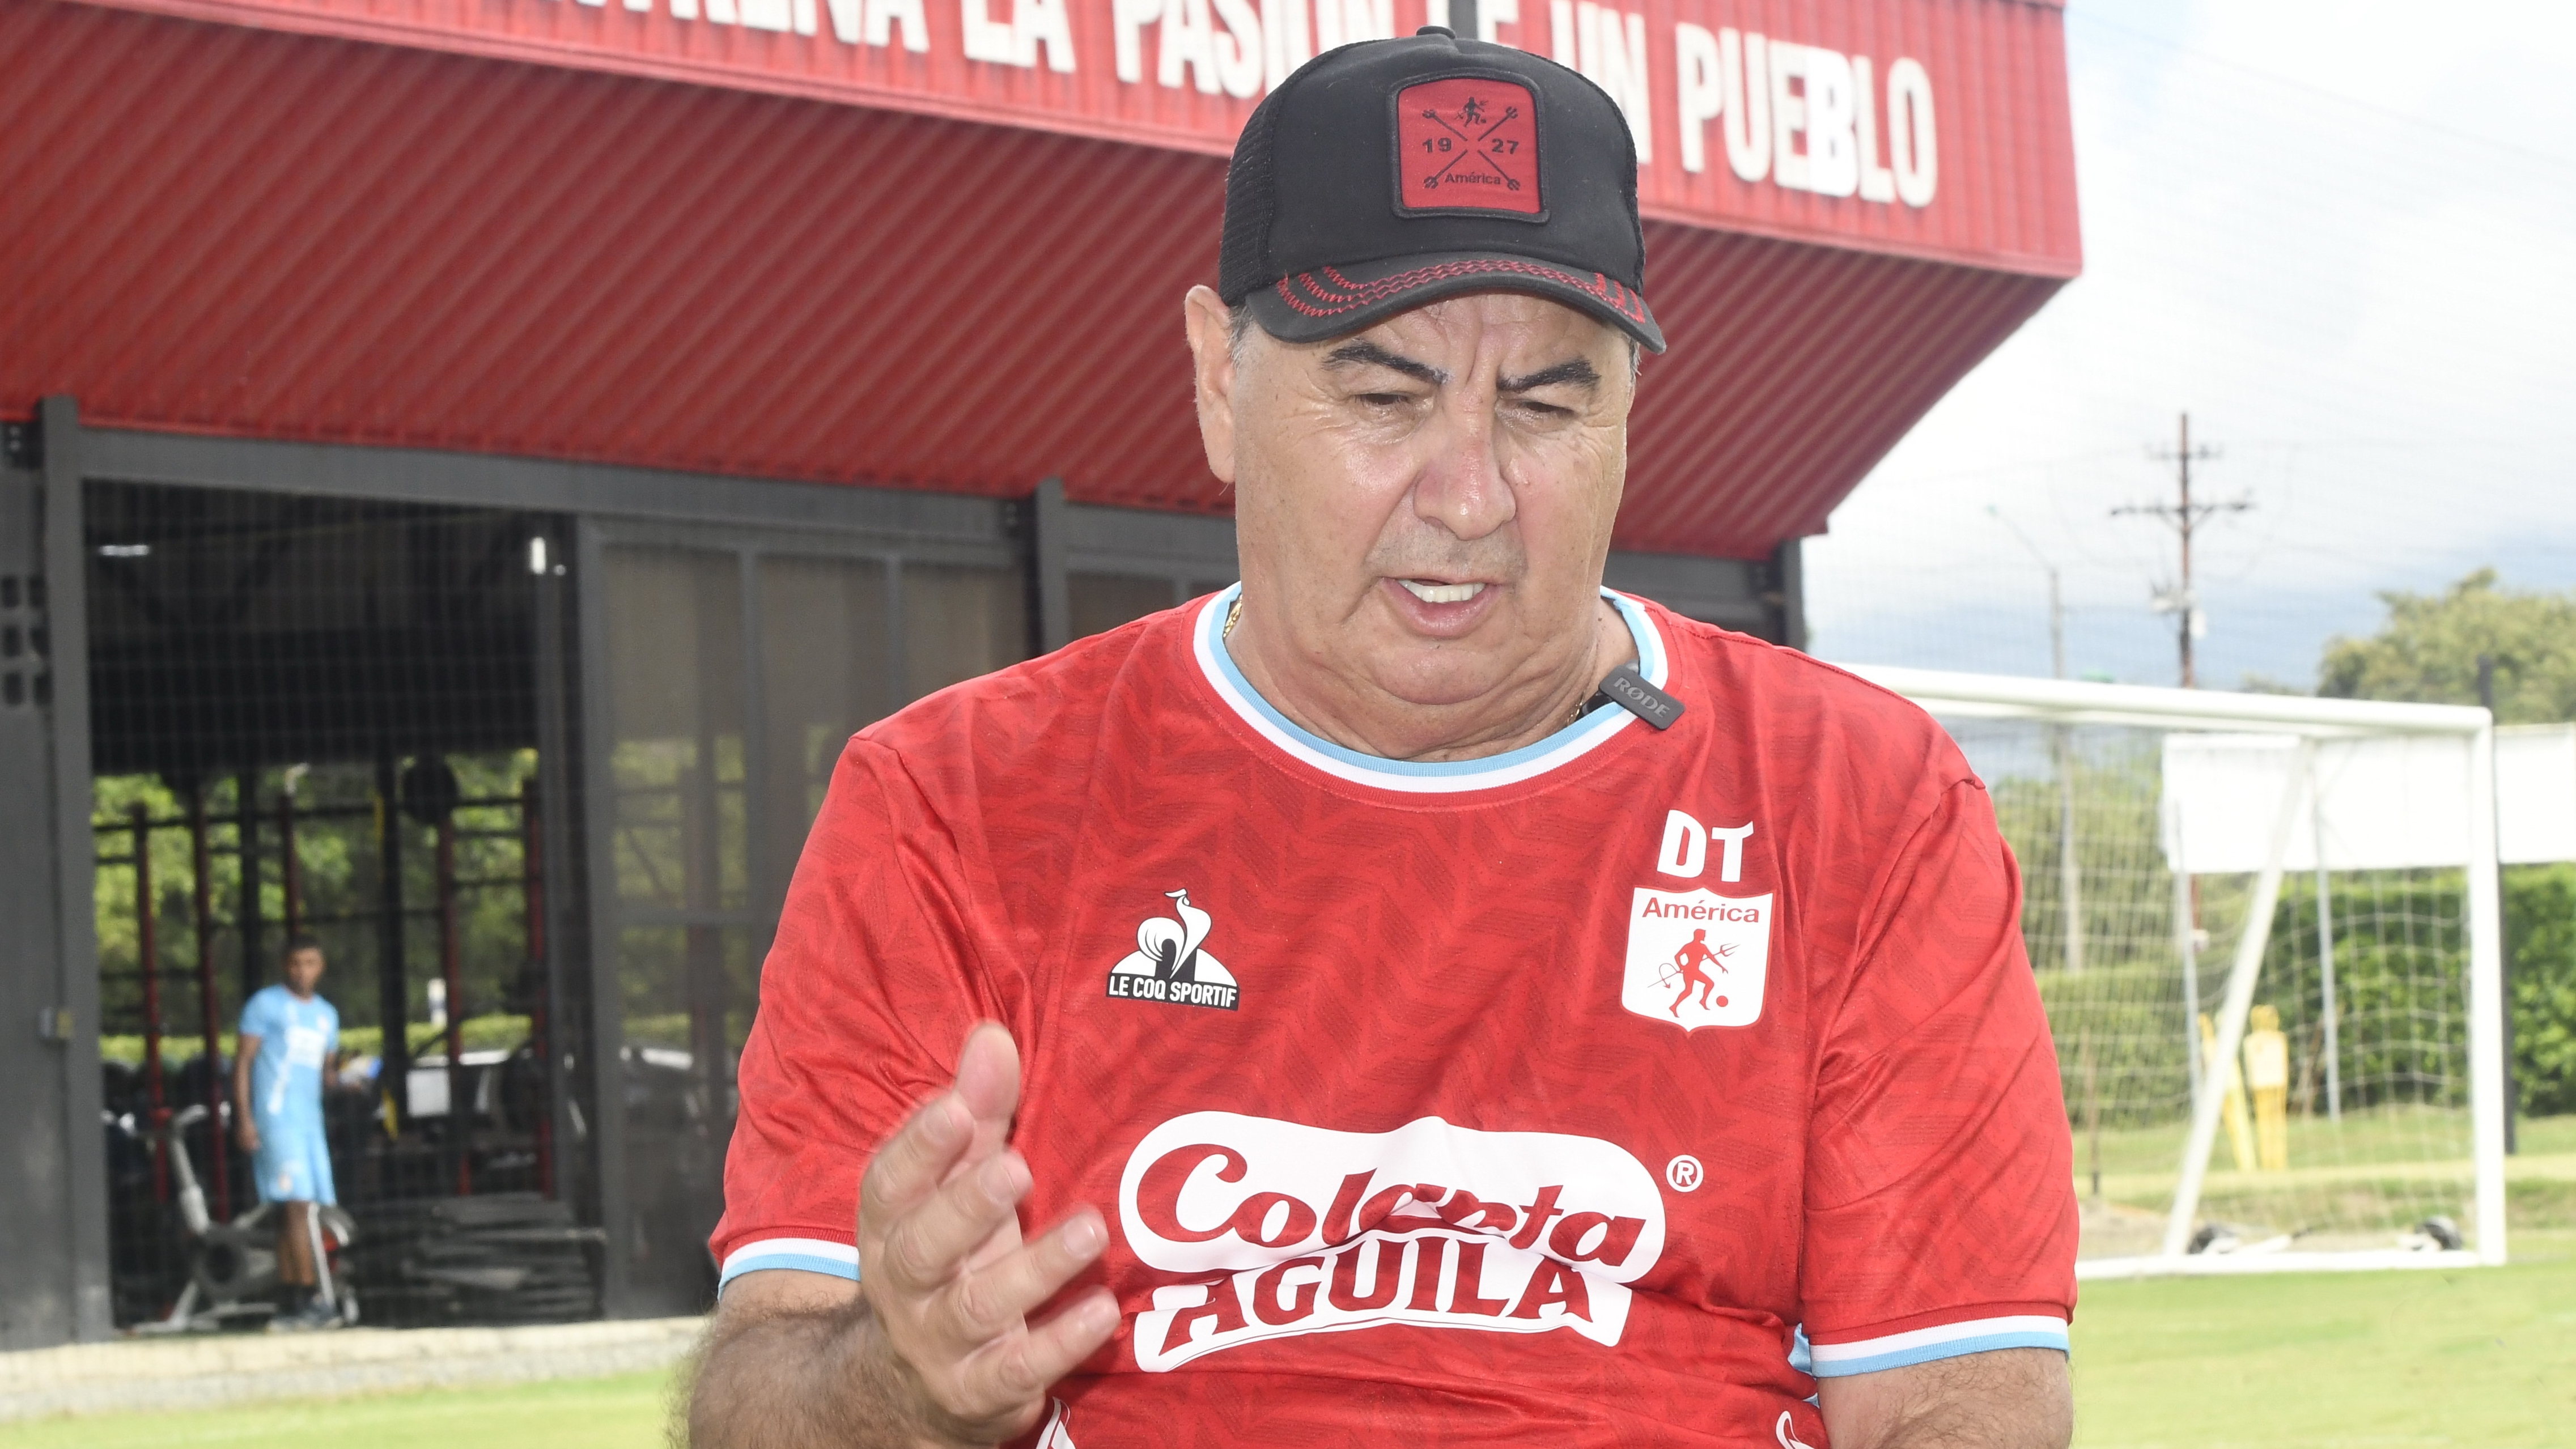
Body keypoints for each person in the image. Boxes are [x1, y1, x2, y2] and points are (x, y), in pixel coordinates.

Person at [693, 27, 2074, 1449]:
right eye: (1383, 395)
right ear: (1219, 383)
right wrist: (896, 1383)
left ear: (1629, 413)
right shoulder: (957, 805)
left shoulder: (1859, 802)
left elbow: (1961, 1406)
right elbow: (761, 1408)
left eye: (1547, 401)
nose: (1470, 494)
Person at [233, 933, 343, 1332]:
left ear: (321, 966)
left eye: (311, 963)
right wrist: (244, 1118)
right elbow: (243, 1062)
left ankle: (292, 1300)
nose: (303, 971)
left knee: (296, 1210)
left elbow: (325, 1072)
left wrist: (347, 1079)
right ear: (285, 965)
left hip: (309, 1123)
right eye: (296, 963)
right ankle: (311, 1296)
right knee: (296, 1205)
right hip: (276, 1117)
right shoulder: (264, 1005)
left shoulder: (327, 1015)